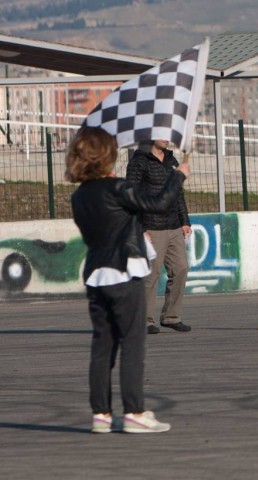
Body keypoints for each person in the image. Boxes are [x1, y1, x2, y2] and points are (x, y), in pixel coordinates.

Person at [67, 127, 190, 433]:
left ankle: (101, 414)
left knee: (103, 346)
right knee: (133, 343)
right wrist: (179, 176)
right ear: (106, 156)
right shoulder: (117, 188)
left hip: (97, 275)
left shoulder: (79, 196)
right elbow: (158, 203)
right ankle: (134, 411)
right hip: (125, 271)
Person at [127, 139, 192, 334]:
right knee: (150, 275)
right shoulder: (139, 161)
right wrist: (139, 227)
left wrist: (184, 220)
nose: (167, 138)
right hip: (151, 228)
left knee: (180, 268)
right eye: (162, 133)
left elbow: (177, 193)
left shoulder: (171, 160)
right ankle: (144, 320)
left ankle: (172, 317)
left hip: (173, 225)